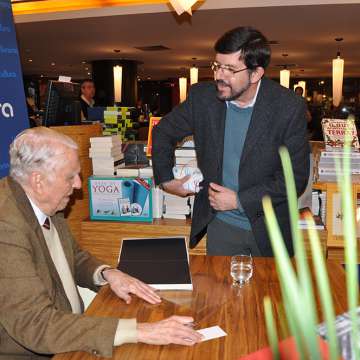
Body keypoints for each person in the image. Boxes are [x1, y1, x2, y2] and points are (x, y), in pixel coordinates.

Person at [0, 127, 201, 359]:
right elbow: (35, 325)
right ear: (38, 180)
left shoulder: (43, 199)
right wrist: (139, 330)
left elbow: (70, 256)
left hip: (71, 331)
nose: (77, 184)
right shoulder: (6, 228)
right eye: (70, 176)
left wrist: (107, 274)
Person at [152, 26, 310, 256]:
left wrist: (239, 201)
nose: (218, 76)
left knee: (267, 292)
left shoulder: (287, 107)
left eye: (230, 69)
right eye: (217, 66)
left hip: (270, 228)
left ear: (256, 73)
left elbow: (294, 178)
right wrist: (166, 180)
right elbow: (163, 132)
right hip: (221, 225)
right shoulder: (203, 98)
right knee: (220, 291)